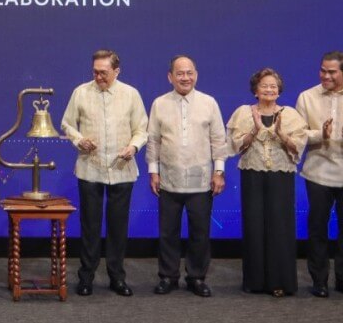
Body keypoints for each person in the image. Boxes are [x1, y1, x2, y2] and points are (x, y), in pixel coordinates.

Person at [60, 49, 147, 296]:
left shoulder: (131, 94)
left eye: (104, 72)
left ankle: (117, 277)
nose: (99, 76)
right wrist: (79, 140)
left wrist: (133, 146)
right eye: (95, 72)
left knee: (118, 227)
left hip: (122, 169)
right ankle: (86, 277)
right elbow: (67, 123)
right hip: (90, 167)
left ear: (117, 71)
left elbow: (142, 129)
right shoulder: (81, 92)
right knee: (90, 226)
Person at [146, 55, 227, 297]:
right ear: (170, 77)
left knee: (200, 233)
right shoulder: (159, 103)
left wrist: (219, 171)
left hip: (201, 181)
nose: (185, 77)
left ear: (196, 75)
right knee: (167, 232)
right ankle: (168, 277)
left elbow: (218, 140)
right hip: (169, 179)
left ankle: (197, 277)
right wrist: (153, 172)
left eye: (189, 72)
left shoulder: (209, 102)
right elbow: (153, 140)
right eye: (180, 73)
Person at [227, 68, 307, 297]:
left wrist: (281, 134)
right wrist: (254, 130)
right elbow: (234, 146)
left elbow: (298, 146)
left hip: (281, 176)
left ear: (279, 90)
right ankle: (255, 281)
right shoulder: (243, 113)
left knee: (280, 226)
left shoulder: (289, 114)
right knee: (254, 225)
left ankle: (280, 282)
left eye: (273, 86)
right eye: (264, 86)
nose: (269, 90)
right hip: (252, 174)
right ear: (255, 90)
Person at [296, 51, 343, 297]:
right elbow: (299, 134)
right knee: (317, 228)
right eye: (323, 70)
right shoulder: (307, 97)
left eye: (332, 72)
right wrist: (320, 135)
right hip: (317, 173)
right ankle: (319, 280)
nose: (325, 75)